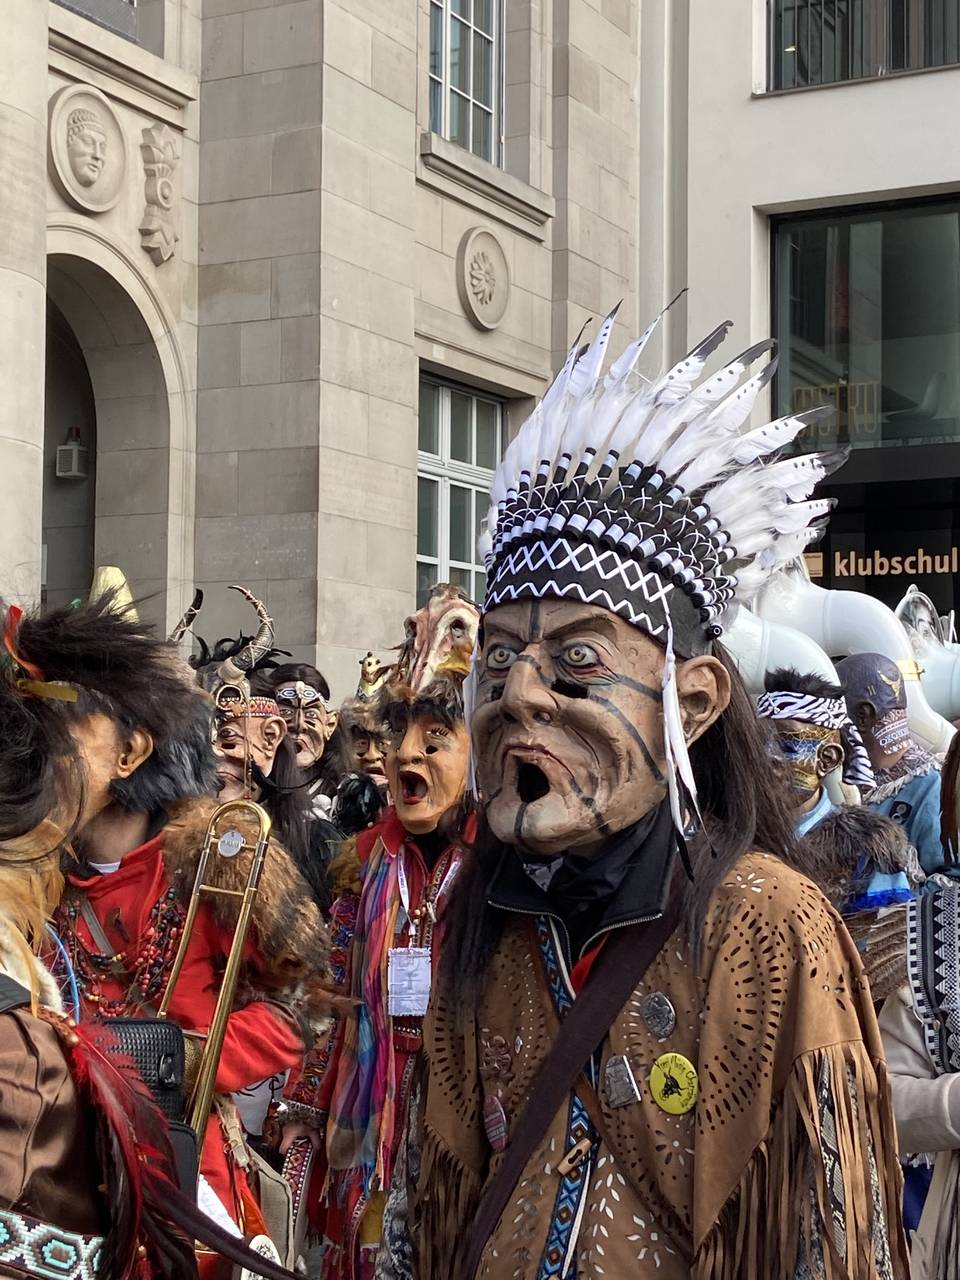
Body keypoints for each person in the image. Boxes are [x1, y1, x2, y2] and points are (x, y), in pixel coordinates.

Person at [412, 313, 907, 1278]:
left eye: (577, 661)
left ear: (695, 701)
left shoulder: (769, 925)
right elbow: (431, 1207)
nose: (519, 695)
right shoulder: (481, 915)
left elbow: (831, 1238)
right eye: (500, 659)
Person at [0, 599, 314, 1280]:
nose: (35, 748)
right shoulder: (23, 869)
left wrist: (179, 1061)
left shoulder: (222, 859)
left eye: (59, 725)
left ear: (130, 750)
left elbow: (300, 1012)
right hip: (60, 1176)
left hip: (186, 1173)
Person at [313, 588, 478, 1279]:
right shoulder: (363, 863)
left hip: (464, 1119)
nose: (407, 754)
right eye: (399, 736)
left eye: (434, 741)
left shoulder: (505, 872)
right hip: (370, 1109)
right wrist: (302, 1106)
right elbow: (331, 994)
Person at [837, 651, 951, 878]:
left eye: (835, 713)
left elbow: (954, 883)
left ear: (863, 716)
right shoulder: (845, 780)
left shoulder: (936, 786)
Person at [756, 666, 875, 835]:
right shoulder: (728, 836)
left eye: (784, 747)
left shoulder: (858, 847)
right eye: (757, 744)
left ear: (827, 760)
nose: (765, 757)